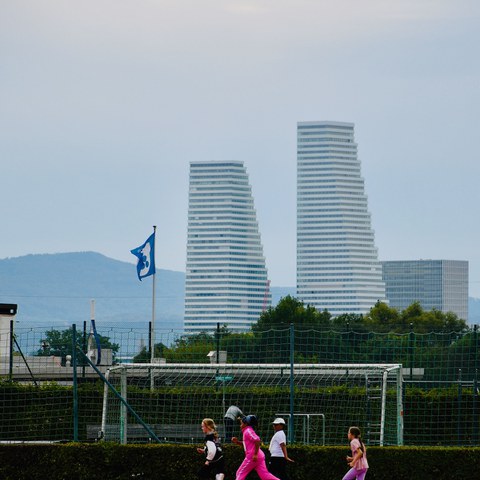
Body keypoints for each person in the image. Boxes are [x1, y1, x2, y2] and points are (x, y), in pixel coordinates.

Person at [232, 415, 280, 480]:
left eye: (241, 423)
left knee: (240, 473)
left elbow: (257, 440)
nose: (240, 425)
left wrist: (255, 454)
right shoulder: (247, 431)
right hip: (259, 457)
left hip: (252, 457)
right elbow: (247, 445)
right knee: (264, 476)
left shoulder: (248, 430)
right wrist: (237, 442)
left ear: (246, 424)